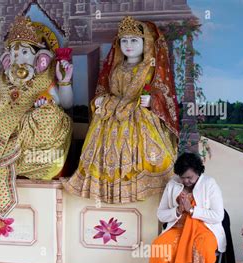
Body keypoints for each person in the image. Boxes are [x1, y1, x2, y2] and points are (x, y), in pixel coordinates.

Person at [0, 16, 73, 217]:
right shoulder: (4, 78)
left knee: (51, 116)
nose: (19, 58)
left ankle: (9, 159)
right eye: (15, 54)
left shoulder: (46, 76)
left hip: (29, 130)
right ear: (8, 59)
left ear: (40, 58)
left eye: (25, 52)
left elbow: (66, 104)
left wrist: (64, 83)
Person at [63, 16, 179, 203]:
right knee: (102, 160)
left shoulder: (150, 67)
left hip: (140, 116)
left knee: (154, 158)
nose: (128, 45)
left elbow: (164, 93)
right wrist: (100, 101)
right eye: (124, 40)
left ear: (145, 43)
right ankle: (108, 191)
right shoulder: (116, 67)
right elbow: (108, 90)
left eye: (134, 40)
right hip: (111, 116)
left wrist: (153, 100)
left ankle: (139, 190)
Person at [146, 152, 226, 263]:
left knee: (200, 248)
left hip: (205, 228)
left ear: (198, 172)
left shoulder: (209, 183)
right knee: (158, 247)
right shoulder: (172, 184)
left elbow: (218, 215)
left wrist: (191, 210)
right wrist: (177, 211)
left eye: (190, 177)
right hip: (178, 228)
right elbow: (161, 214)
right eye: (183, 177)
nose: (186, 181)